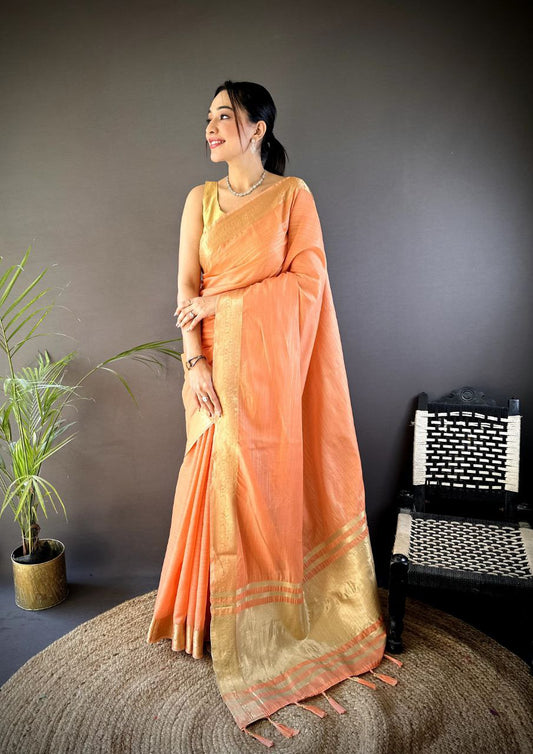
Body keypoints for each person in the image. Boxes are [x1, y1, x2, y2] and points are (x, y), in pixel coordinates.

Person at [146, 80, 400, 746]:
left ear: (257, 128)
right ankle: (206, 618)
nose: (210, 127)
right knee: (214, 481)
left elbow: (307, 285)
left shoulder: (292, 197)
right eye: (207, 117)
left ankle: (261, 625)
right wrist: (193, 364)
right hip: (211, 366)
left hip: (270, 371)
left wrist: (225, 305)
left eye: (223, 117)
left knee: (261, 487)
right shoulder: (199, 201)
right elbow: (186, 290)